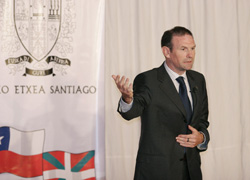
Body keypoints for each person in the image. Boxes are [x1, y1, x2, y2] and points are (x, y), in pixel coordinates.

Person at [112, 26, 209, 180]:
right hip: (157, 171)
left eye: (192, 48)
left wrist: (202, 138)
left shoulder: (198, 80)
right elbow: (132, 112)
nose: (190, 54)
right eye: (183, 49)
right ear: (166, 52)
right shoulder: (149, 80)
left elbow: (202, 119)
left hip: (191, 171)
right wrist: (128, 99)